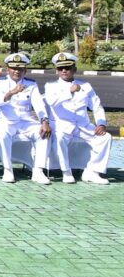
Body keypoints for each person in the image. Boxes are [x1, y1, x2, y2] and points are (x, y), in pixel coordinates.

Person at [44, 52, 110, 184]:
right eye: (60, 68)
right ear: (56, 71)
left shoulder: (85, 86)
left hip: (83, 125)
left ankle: (92, 171)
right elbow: (52, 102)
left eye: (67, 68)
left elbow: (96, 106)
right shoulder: (51, 86)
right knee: (60, 138)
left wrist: (101, 123)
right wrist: (69, 91)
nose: (64, 71)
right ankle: (66, 172)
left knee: (105, 137)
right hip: (62, 124)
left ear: (74, 69)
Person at [0, 52, 52, 184]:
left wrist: (44, 121)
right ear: (8, 69)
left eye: (20, 69)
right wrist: (12, 92)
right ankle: (8, 170)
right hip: (5, 120)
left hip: (26, 121)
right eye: (13, 68)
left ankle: (38, 170)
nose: (16, 71)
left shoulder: (31, 84)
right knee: (2, 132)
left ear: (25, 70)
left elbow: (39, 104)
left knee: (44, 133)